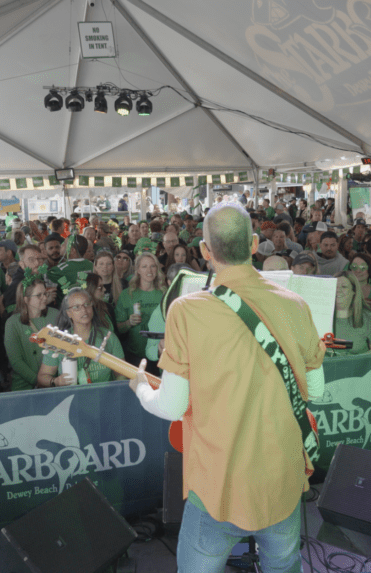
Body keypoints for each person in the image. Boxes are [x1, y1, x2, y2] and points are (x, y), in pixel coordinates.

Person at [130, 202, 325, 573]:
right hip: (281, 478)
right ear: (253, 244)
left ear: (205, 251)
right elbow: (315, 391)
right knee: (284, 565)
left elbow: (172, 406)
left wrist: (141, 386)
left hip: (218, 485)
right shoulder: (296, 305)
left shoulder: (185, 311)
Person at [36, 289, 125, 387]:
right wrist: (55, 381)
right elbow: (42, 377)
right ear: (68, 313)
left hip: (104, 394)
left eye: (87, 304)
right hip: (71, 395)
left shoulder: (108, 337)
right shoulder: (59, 340)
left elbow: (122, 374)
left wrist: (114, 390)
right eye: (76, 307)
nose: (84, 310)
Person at [4, 279, 60, 391]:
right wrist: (38, 381)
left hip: (54, 382)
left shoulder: (55, 315)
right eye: (39, 295)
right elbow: (16, 361)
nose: (45, 298)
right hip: (24, 385)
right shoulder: (12, 323)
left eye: (45, 293)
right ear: (26, 299)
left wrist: (51, 381)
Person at [116, 253, 165, 369]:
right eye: (144, 266)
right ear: (137, 270)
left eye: (153, 266)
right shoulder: (127, 294)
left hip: (160, 354)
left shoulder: (164, 294)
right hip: (134, 356)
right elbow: (118, 329)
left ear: (157, 269)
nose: (149, 270)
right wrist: (129, 322)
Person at [330, 272, 371, 355]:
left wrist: (354, 360)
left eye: (344, 286)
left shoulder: (368, 317)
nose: (338, 290)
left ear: (354, 291)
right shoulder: (319, 316)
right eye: (335, 286)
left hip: (358, 363)